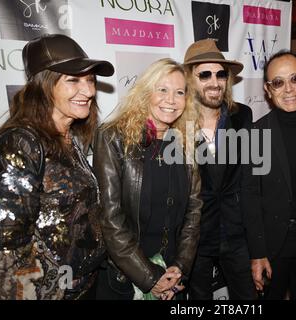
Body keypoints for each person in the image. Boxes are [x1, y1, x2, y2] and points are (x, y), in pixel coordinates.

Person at [0, 34, 114, 299]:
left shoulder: (69, 137)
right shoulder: (20, 142)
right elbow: (7, 246)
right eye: (73, 80)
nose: (90, 91)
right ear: (43, 85)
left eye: (90, 79)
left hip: (86, 286)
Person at [93, 58, 202, 300]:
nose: (171, 100)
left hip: (173, 276)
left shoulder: (187, 142)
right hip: (126, 277)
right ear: (145, 92)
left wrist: (180, 267)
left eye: (179, 92)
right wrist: (151, 278)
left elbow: (194, 213)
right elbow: (110, 219)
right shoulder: (113, 138)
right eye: (162, 89)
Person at [242, 50, 296, 299]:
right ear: (268, 90)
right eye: (278, 83)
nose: (288, 89)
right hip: (273, 243)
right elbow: (250, 197)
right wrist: (257, 253)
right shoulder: (256, 135)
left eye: (295, 79)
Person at [183, 39, 257, 300]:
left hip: (236, 233)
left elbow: (252, 178)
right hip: (195, 238)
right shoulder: (175, 123)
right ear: (189, 79)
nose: (214, 82)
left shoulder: (243, 116)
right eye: (204, 74)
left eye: (221, 74)